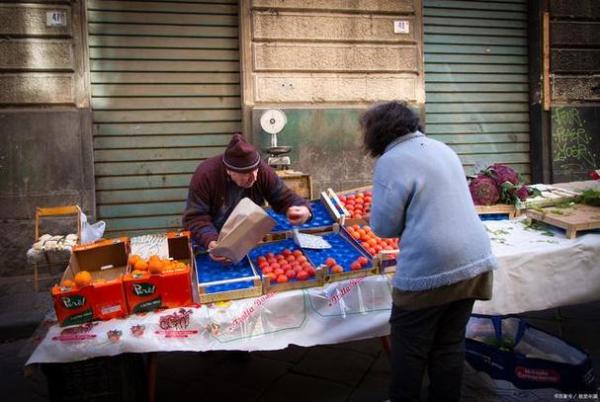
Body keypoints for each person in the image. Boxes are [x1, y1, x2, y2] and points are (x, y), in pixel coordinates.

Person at [361, 101, 498, 402]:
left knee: (409, 348)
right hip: (475, 261)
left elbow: (384, 226)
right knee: (449, 344)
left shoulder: (392, 160)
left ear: (377, 133)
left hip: (432, 266)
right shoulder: (442, 148)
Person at [183, 133, 311, 261]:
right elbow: (195, 218)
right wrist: (210, 241)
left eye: (255, 170)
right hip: (212, 241)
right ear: (229, 170)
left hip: (245, 240)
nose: (254, 177)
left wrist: (302, 208)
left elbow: (284, 197)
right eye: (246, 173)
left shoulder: (262, 172)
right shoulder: (206, 175)